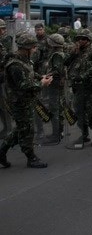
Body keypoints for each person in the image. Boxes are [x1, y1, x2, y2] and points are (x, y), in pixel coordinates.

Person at [0, 33, 53, 168]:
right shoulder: (14, 65)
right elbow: (23, 85)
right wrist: (42, 84)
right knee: (27, 130)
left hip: (26, 100)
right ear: (26, 48)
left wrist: (41, 76)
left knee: (21, 128)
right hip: (19, 102)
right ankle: (31, 157)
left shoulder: (24, 59)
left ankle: (1, 151)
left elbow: (29, 73)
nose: (35, 49)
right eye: (33, 47)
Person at [64, 28, 92, 147]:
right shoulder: (76, 50)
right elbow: (65, 62)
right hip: (77, 87)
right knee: (79, 111)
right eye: (78, 39)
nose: (80, 41)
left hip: (89, 86)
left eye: (83, 39)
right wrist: (72, 53)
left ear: (88, 39)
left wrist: (83, 76)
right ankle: (84, 134)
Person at [40, 34, 66, 145]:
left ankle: (56, 135)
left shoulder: (57, 55)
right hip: (57, 85)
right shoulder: (60, 53)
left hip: (54, 85)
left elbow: (57, 71)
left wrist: (46, 75)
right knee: (57, 109)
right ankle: (59, 132)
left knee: (54, 110)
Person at [0, 19, 14, 139]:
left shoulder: (6, 40)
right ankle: (6, 127)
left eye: (4, 28)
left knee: (4, 104)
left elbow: (6, 59)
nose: (4, 31)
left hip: (2, 76)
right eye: (2, 28)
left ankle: (9, 129)